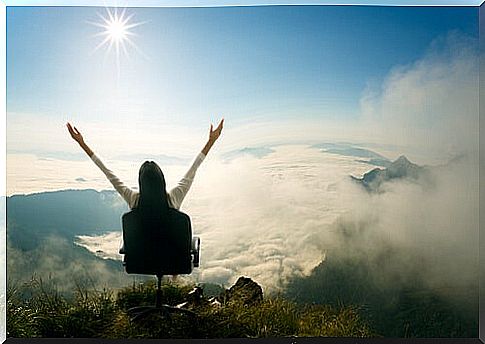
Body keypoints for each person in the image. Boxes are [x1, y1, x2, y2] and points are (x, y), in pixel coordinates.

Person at [66, 119, 224, 256]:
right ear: (162, 180)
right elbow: (194, 167)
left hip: (142, 262)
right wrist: (211, 141)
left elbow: (108, 172)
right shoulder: (174, 197)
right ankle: (173, 272)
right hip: (173, 261)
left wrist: (82, 143)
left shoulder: (134, 199)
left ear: (141, 182)